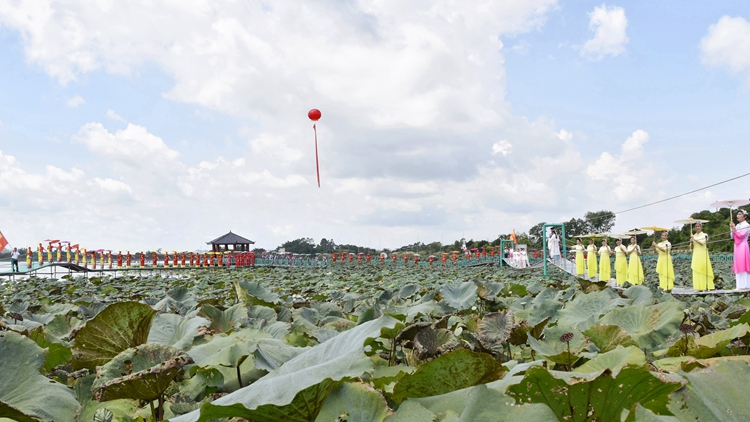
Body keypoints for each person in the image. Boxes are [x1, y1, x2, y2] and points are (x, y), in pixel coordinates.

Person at [691, 222, 714, 291]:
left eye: (698, 226)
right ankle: (699, 287)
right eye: (696, 226)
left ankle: (706, 286)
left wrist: (694, 238)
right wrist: (691, 241)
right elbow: (691, 247)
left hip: (703, 253)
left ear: (701, 227)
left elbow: (702, 243)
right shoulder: (694, 236)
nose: (697, 227)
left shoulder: (704, 235)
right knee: (697, 269)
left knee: (704, 268)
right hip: (696, 253)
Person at [730, 209, 750, 289]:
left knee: (744, 264)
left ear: (745, 216)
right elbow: (733, 236)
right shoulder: (738, 225)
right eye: (737, 214)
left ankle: (746, 285)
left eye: (740, 214)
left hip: (743, 245)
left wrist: (734, 228)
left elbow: (741, 235)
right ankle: (739, 285)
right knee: (738, 264)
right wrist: (732, 228)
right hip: (737, 246)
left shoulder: (747, 225)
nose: (738, 216)